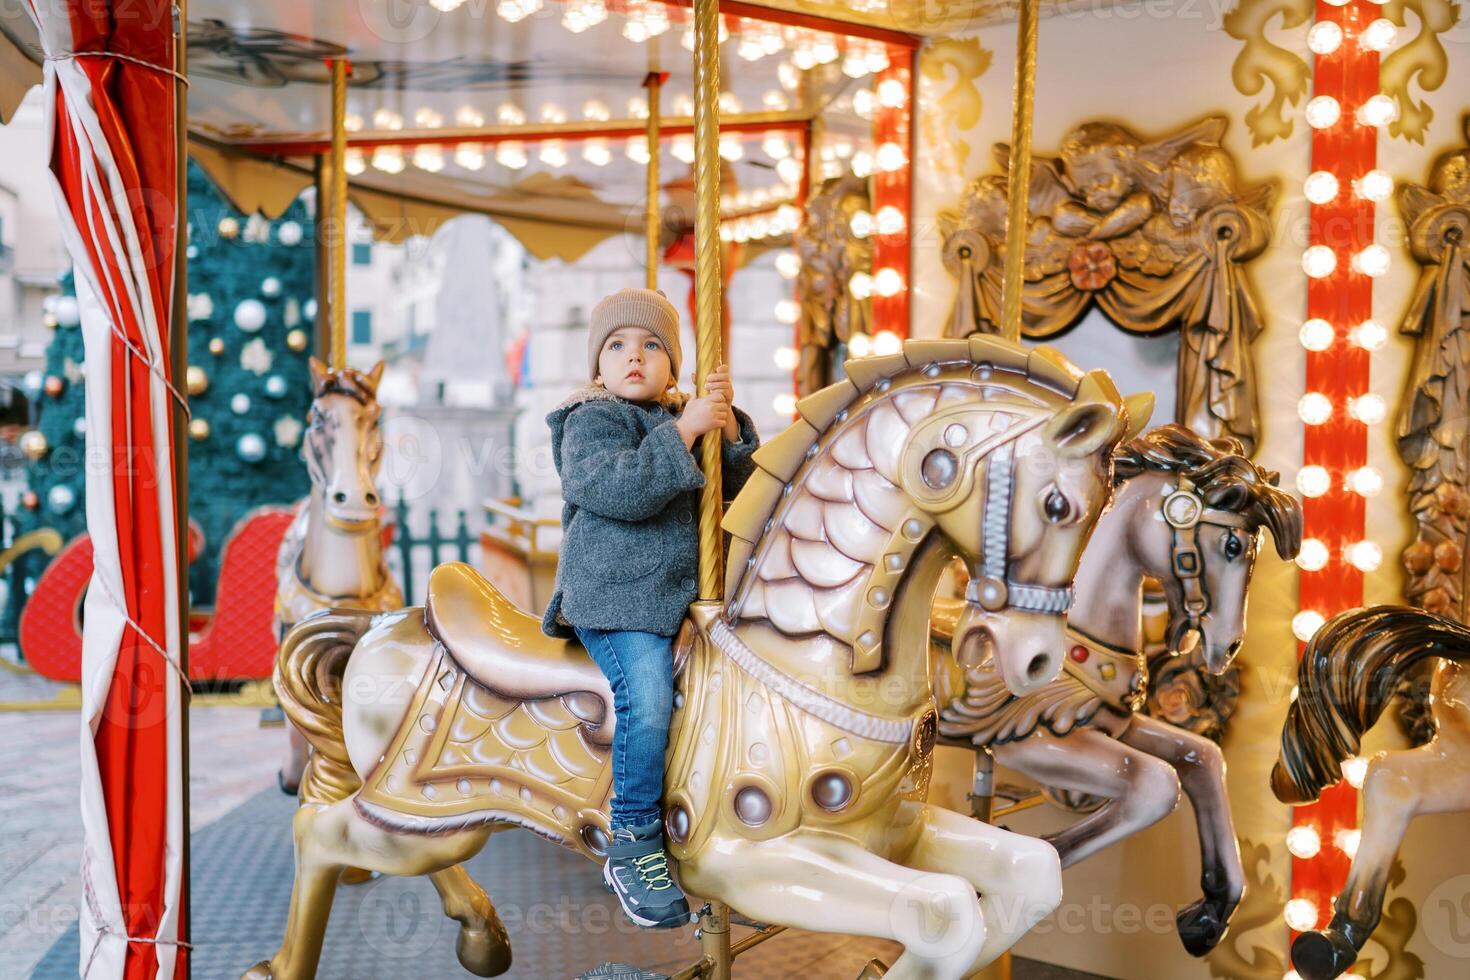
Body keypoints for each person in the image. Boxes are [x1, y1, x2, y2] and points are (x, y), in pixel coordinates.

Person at [542, 287, 759, 928]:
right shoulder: (589, 421)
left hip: (686, 603)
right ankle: (633, 838)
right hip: (614, 601)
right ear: (597, 366)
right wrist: (688, 431)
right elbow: (624, 489)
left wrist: (728, 430)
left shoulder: (678, 419)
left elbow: (739, 498)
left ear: (673, 364)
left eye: (652, 345)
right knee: (648, 693)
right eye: (617, 345)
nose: (634, 357)